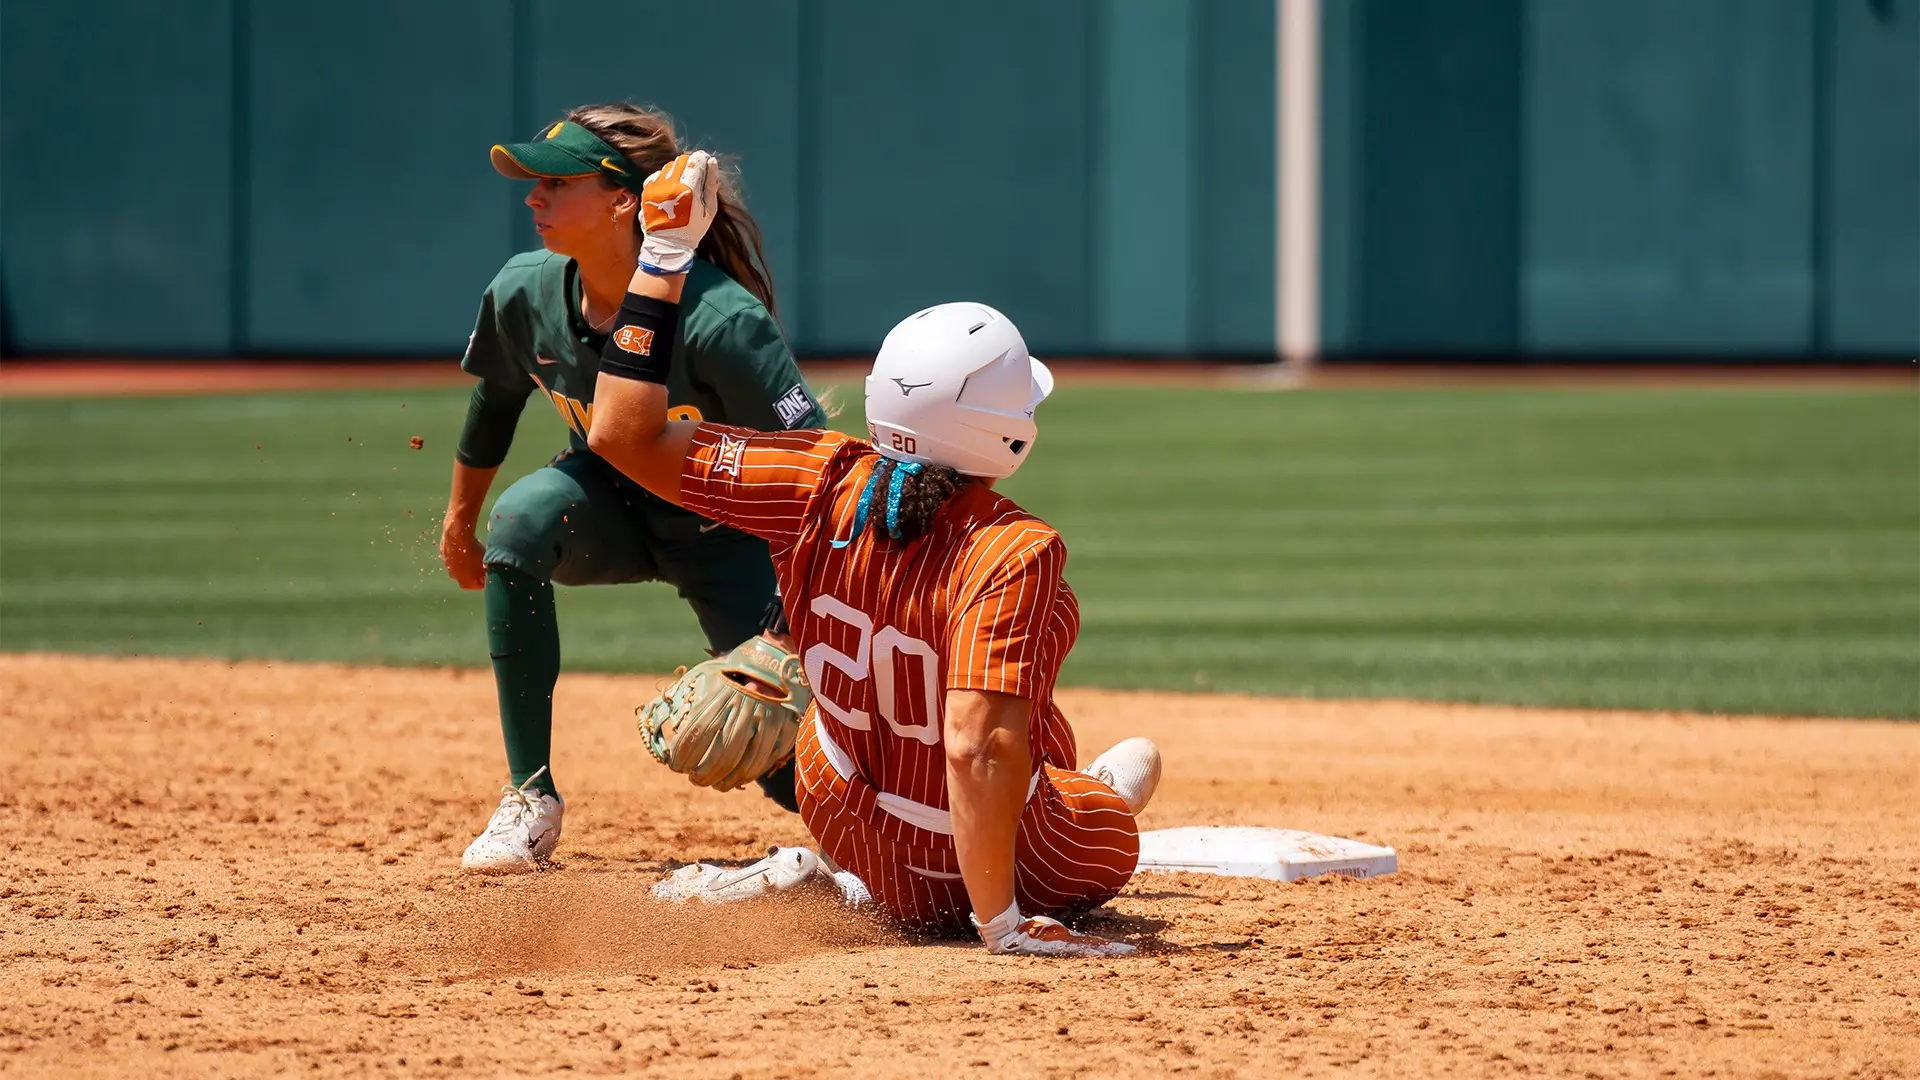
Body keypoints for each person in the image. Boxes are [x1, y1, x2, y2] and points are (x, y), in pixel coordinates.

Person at [584, 152, 1162, 957]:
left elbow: (619, 432)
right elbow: (974, 746)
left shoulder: (815, 475)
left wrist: (664, 258)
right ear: (1002, 432)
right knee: (1110, 802)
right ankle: (1078, 805)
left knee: (1019, 730)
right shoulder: (1012, 547)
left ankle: (846, 879)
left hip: (837, 799)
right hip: (954, 857)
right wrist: (998, 926)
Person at [441, 107, 823, 873]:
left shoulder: (721, 319)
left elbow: (818, 470)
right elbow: (495, 402)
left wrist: (789, 626)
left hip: (729, 531)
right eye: (532, 184)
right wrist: (461, 519)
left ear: (626, 201)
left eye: (555, 183)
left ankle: (1019, 814)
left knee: (786, 763)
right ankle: (530, 796)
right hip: (608, 506)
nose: (532, 199)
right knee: (522, 522)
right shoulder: (525, 291)